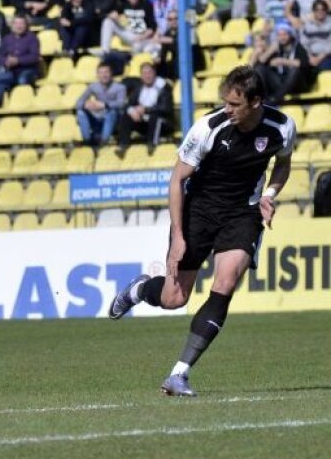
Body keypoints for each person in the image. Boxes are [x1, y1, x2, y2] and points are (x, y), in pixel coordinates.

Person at [108, 67, 295, 397]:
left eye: (235, 104)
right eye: (225, 101)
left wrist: (269, 195)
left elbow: (283, 162)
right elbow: (177, 180)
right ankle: (140, 290)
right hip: (198, 212)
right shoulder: (208, 128)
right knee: (174, 297)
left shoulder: (281, 127)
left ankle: (179, 374)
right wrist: (178, 236)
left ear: (256, 102)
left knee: (225, 284)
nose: (227, 108)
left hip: (242, 213)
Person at [117, 62, 174, 148]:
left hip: (162, 122)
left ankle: (152, 145)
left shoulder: (163, 87)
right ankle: (123, 145)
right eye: (144, 73)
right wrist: (132, 111)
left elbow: (166, 108)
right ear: (141, 76)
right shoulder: (139, 87)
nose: (147, 76)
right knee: (126, 115)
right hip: (144, 122)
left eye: (149, 73)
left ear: (154, 73)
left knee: (155, 117)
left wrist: (146, 109)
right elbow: (129, 104)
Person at [75, 62, 128, 147]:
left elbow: (121, 103)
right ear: (97, 75)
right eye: (101, 73)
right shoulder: (93, 86)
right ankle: (87, 140)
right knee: (80, 112)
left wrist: (104, 105)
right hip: (98, 115)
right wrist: (85, 105)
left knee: (112, 112)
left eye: (106, 72)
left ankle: (104, 140)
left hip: (113, 118)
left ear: (111, 74)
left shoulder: (120, 87)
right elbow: (78, 103)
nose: (104, 75)